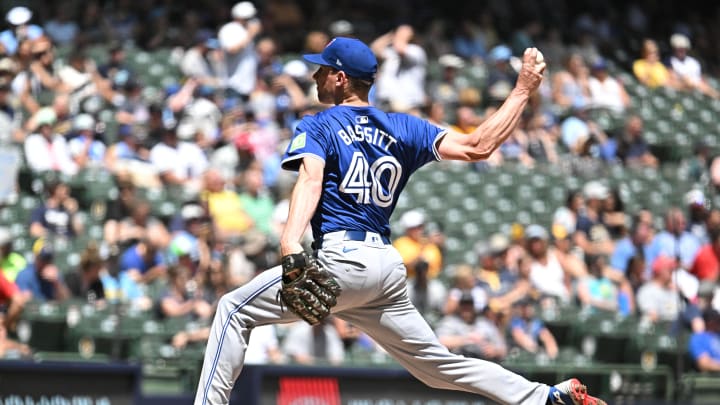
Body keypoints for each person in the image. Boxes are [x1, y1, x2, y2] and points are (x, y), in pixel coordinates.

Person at [194, 37, 605, 405]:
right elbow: (480, 146)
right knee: (435, 365)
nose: (316, 75)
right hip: (385, 269)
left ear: (340, 78)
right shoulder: (404, 125)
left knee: (232, 309)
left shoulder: (320, 123)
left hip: (343, 258)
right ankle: (544, 399)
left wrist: (289, 245)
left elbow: (310, 178)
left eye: (322, 69)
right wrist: (523, 90)